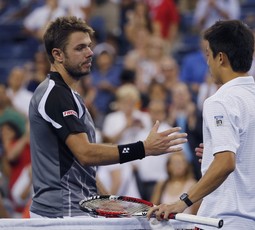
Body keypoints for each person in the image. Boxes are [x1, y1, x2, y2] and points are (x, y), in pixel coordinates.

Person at [28, 16, 187, 218]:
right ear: (58, 55)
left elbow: (80, 164)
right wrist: (143, 148)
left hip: (74, 209)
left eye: (88, 46)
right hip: (61, 213)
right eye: (80, 48)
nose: (90, 52)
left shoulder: (69, 94)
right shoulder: (55, 94)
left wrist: (106, 200)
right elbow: (86, 153)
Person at [147, 20, 255, 229]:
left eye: (208, 54)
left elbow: (226, 162)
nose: (207, 62)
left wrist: (182, 202)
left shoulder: (220, 101)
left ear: (220, 58)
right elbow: (241, 156)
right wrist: (212, 155)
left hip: (225, 222)